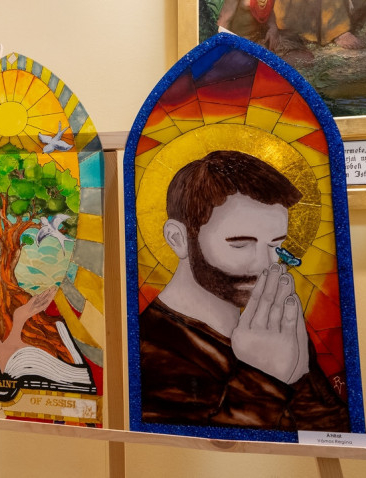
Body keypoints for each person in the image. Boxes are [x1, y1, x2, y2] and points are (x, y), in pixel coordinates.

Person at [139, 150, 348, 431]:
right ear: (178, 239)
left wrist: (298, 378)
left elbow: (328, 431)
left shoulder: (274, 329)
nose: (266, 264)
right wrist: (262, 377)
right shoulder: (149, 349)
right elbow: (198, 448)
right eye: (240, 244)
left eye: (276, 246)